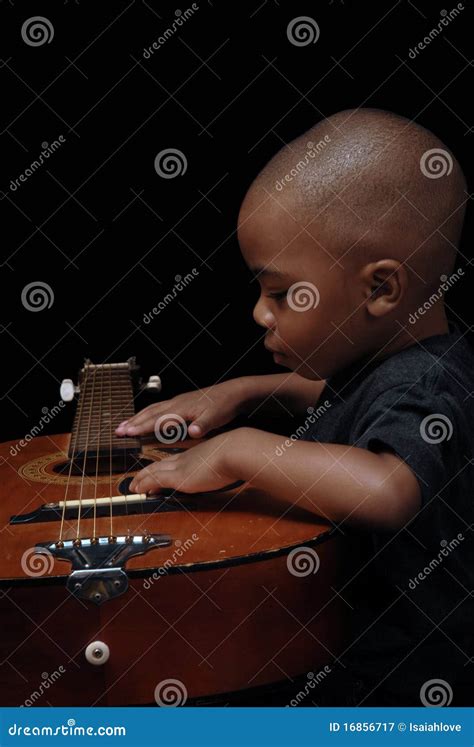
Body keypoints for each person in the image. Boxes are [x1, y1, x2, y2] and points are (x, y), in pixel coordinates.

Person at [116, 108, 474, 706]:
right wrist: (247, 390)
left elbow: (388, 490)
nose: (261, 313)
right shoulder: (405, 362)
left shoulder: (427, 385)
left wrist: (239, 450)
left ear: (381, 289)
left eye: (282, 293)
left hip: (397, 698)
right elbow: (356, 400)